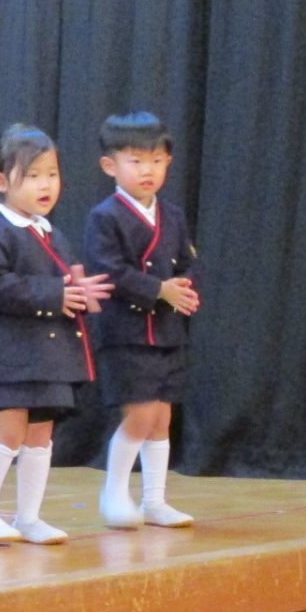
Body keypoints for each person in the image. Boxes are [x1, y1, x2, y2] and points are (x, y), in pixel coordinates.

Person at [0, 122, 112, 545]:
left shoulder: (51, 233)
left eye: (52, 174)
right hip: (7, 356)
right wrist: (57, 293)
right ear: (1, 182)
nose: (46, 184)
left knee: (40, 437)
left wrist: (80, 294)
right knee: (9, 434)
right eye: (33, 175)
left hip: (47, 357)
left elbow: (62, 287)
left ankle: (28, 517)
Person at [83, 111, 200, 528]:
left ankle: (154, 500)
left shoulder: (172, 214)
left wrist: (185, 287)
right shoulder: (105, 216)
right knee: (141, 414)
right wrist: (158, 289)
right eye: (135, 161)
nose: (147, 170)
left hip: (167, 330)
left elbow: (188, 261)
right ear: (109, 166)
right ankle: (114, 493)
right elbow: (110, 272)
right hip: (126, 332)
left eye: (156, 160)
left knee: (162, 417)